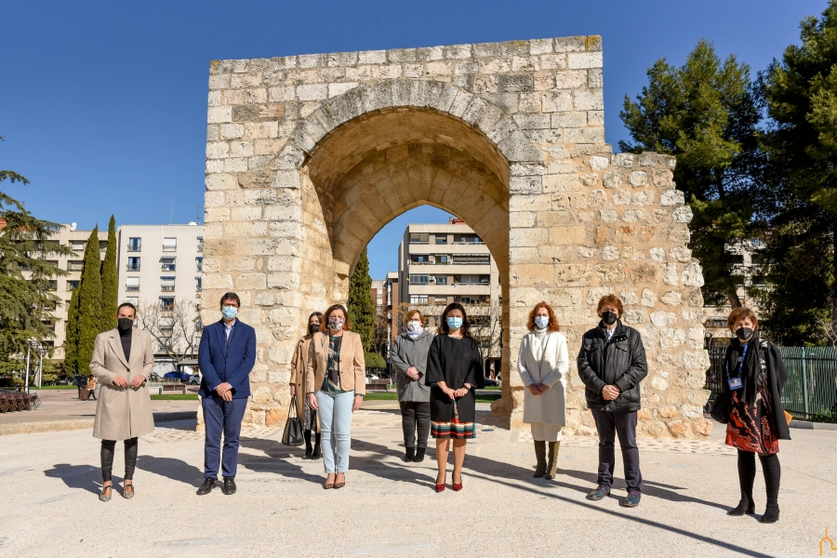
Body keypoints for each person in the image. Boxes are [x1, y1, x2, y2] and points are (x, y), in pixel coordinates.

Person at [577, 294, 647, 508]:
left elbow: (640, 366)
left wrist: (617, 387)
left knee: (629, 444)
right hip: (600, 400)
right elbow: (583, 366)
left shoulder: (632, 336)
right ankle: (604, 484)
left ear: (619, 313)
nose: (610, 313)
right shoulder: (589, 337)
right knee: (605, 443)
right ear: (599, 312)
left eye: (614, 310)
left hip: (625, 401)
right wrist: (601, 388)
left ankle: (634, 488)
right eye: (606, 309)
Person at [723, 307, 790, 524]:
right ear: (733, 327)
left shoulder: (765, 348)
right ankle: (746, 500)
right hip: (739, 409)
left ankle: (773, 505)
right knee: (744, 454)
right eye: (738, 325)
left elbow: (780, 375)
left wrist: (763, 396)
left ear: (755, 325)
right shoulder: (731, 350)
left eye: (746, 324)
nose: (743, 328)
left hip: (761, 409)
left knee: (767, 454)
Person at [89, 302, 155, 502]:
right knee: (108, 440)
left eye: (130, 315)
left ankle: (128, 481)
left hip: (135, 395)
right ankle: (107, 484)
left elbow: (149, 362)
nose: (126, 318)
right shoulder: (103, 338)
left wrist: (143, 375)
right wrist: (111, 376)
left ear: (135, 318)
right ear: (116, 316)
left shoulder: (144, 337)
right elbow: (95, 365)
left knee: (132, 439)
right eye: (122, 315)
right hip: (113, 394)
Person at [196, 292, 256, 496]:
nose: (229, 307)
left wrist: (229, 385)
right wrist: (217, 386)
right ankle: (210, 476)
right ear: (220, 307)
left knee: (232, 437)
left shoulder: (248, 332)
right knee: (212, 438)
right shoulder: (210, 331)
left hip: (237, 393)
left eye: (233, 304)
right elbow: (204, 360)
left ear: (238, 308)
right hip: (211, 393)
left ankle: (229, 477)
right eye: (226, 304)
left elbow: (248, 362)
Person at [426, 303, 484, 492]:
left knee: (460, 437)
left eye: (458, 315)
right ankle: (441, 473)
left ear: (464, 319)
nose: (454, 319)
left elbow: (476, 366)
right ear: (445, 318)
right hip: (442, 395)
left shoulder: (471, 343)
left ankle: (457, 473)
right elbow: (433, 365)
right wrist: (444, 387)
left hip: (464, 397)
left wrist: (466, 387)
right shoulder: (438, 341)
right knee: (443, 437)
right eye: (451, 315)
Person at [306, 304, 365, 489]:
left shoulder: (354, 338)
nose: (336, 319)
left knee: (342, 433)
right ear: (327, 318)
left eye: (340, 316)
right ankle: (330, 472)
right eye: (333, 316)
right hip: (322, 391)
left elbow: (359, 367)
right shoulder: (318, 337)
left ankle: (342, 471)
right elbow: (310, 367)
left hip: (345, 391)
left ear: (345, 319)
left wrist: (359, 393)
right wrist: (310, 392)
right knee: (326, 433)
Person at [517, 301, 569, 479]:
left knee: (553, 425)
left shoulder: (558, 338)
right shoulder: (527, 339)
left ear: (550, 317)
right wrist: (530, 384)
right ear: (533, 317)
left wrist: (546, 383)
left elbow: (563, 365)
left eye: (544, 315)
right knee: (537, 426)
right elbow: (521, 364)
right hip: (533, 390)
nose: (541, 318)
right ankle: (541, 464)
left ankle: (553, 465)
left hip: (552, 388)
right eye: (538, 315)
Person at [390, 309, 434, 463]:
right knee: (408, 418)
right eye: (410, 319)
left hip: (424, 384)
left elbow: (432, 356)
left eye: (416, 319)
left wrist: (419, 370)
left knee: (423, 418)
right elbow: (394, 356)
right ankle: (409, 449)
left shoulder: (429, 338)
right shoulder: (400, 339)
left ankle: (421, 449)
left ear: (422, 321)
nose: (413, 322)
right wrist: (407, 370)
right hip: (406, 384)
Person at [290, 311, 323, 459]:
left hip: (320, 385)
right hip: (303, 385)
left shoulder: (325, 339)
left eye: (317, 321)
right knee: (305, 417)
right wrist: (292, 383)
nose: (314, 323)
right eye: (312, 321)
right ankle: (307, 446)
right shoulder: (302, 341)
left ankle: (318, 446)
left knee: (319, 418)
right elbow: (294, 363)